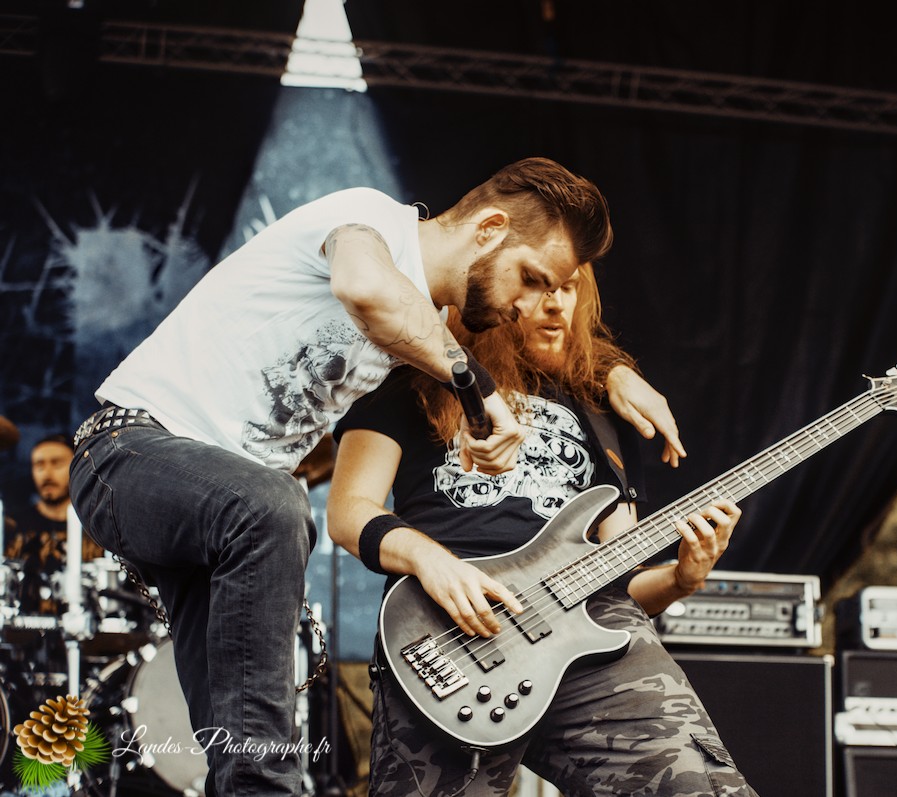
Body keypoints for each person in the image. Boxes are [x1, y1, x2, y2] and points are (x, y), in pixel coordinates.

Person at [69, 158, 679, 796]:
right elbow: (367, 288)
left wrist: (610, 371)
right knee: (275, 505)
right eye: (528, 279)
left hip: (220, 518)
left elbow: (540, 347)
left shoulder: (427, 327)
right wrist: (476, 389)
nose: (525, 306)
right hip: (125, 453)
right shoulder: (368, 220)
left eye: (549, 289)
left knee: (239, 747)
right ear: (490, 228)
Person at [328, 264, 758, 796]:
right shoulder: (411, 381)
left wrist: (681, 579)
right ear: (485, 294)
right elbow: (347, 511)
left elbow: (621, 580)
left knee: (702, 787)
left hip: (594, 641)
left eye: (569, 288)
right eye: (538, 286)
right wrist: (429, 560)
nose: (557, 304)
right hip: (449, 629)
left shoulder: (602, 411)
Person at [3, 433, 104, 614]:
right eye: (39, 465)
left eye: (56, 463)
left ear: (77, 466)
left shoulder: (100, 525)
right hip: (20, 626)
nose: (47, 474)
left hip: (86, 625)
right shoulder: (11, 525)